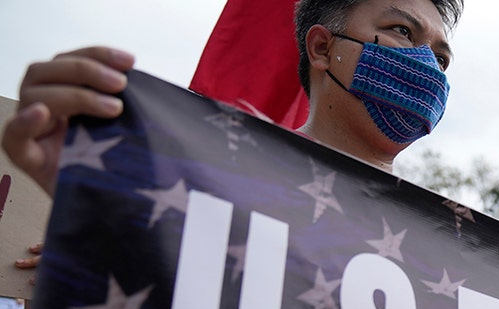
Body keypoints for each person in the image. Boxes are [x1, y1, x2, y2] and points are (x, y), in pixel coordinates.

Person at [2, 0, 462, 197]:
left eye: (441, 59)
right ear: (322, 48)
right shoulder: (185, 192)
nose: (426, 65)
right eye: (402, 31)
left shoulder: (465, 257)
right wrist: (92, 224)